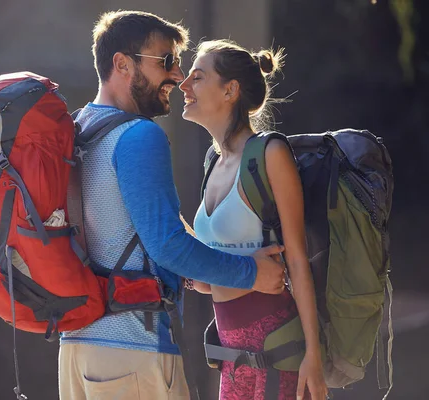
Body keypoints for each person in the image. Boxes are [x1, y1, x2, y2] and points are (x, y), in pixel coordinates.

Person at [58, 11, 287, 400]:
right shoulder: (138, 135)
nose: (177, 76)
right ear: (122, 64)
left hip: (77, 353)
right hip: (134, 353)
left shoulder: (80, 130)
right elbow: (168, 246)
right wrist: (254, 274)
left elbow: (138, 233)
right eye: (165, 61)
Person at [179, 39, 328, 400]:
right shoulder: (211, 162)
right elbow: (217, 258)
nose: (184, 86)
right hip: (230, 357)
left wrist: (314, 355)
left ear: (230, 90)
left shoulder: (270, 153)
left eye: (197, 77)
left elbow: (296, 257)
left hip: (278, 351)